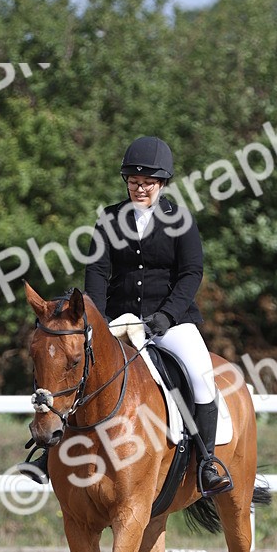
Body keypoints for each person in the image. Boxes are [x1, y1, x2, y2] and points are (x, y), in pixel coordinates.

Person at [83, 135, 233, 496]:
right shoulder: (109, 219)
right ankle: (49, 452)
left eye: (147, 183)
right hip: (119, 322)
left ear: (162, 184)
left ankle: (207, 460)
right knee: (80, 369)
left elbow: (190, 273)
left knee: (200, 375)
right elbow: (97, 274)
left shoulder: (179, 219)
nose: (139, 189)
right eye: (133, 182)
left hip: (170, 323)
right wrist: (98, 323)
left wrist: (167, 315)